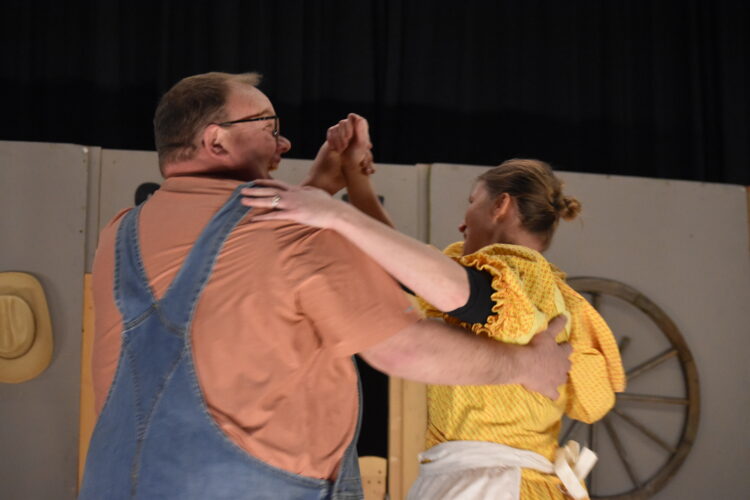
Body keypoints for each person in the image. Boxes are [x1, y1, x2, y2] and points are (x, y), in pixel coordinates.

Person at [79, 72, 572, 500]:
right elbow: (403, 351)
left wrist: (321, 187)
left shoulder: (118, 235)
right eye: (269, 128)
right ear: (216, 140)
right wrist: (525, 365)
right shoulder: (297, 232)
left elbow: (239, 259)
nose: (284, 144)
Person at [241, 114, 625, 500]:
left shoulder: (521, 275)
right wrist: (356, 177)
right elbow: (409, 268)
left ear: (501, 205)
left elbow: (455, 290)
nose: (462, 224)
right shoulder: (537, 288)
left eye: (472, 203)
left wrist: (335, 214)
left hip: (493, 484)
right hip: (487, 478)